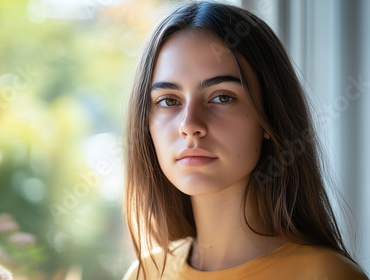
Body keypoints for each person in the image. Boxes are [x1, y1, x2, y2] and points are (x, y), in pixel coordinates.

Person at [122, 1, 368, 279]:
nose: (189, 125)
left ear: (270, 115)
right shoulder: (144, 274)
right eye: (168, 101)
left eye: (222, 97)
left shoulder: (326, 275)